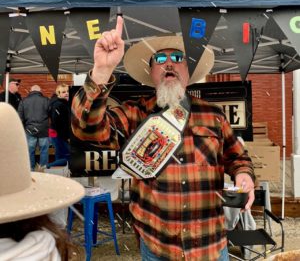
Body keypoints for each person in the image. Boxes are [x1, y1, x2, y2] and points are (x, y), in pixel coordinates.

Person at [71, 16, 255, 261]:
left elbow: (237, 157)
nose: (169, 64)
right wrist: (102, 72)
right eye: (160, 59)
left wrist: (243, 175)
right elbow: (88, 130)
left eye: (178, 58)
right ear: (151, 72)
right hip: (156, 246)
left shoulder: (214, 115)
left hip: (210, 246)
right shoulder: (134, 113)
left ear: (188, 71)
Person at [0, 102, 85, 260]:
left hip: (35, 131)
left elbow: (24, 115)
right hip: (45, 132)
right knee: (45, 154)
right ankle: (38, 167)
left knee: (36, 153)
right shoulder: (45, 247)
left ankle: (35, 166)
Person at [18, 85, 50, 170]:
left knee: (30, 151)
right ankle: (43, 169)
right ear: (40, 90)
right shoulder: (46, 100)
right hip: (43, 130)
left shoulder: (23, 101)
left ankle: (31, 170)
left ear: (31, 90)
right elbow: (50, 114)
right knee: (44, 151)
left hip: (29, 130)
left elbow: (20, 117)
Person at [47, 84, 71, 168]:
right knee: (68, 156)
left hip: (58, 134)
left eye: (68, 91)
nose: (66, 93)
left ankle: (57, 173)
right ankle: (47, 166)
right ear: (59, 94)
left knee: (60, 154)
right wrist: (67, 137)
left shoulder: (64, 103)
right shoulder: (58, 104)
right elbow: (58, 123)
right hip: (58, 134)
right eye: (64, 92)